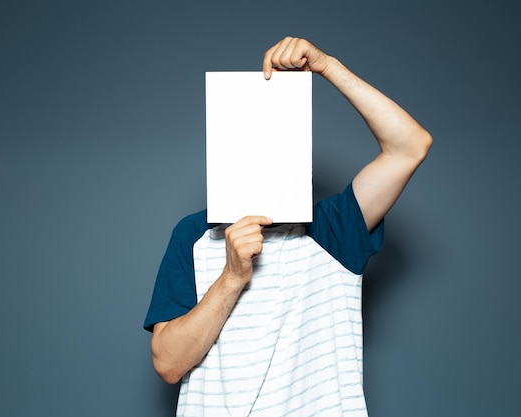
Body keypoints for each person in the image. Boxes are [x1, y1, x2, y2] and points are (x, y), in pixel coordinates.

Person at [144, 36, 432, 416]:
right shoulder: (194, 235)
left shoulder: (333, 230)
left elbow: (410, 145)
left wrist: (327, 66)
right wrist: (231, 277)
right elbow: (168, 363)